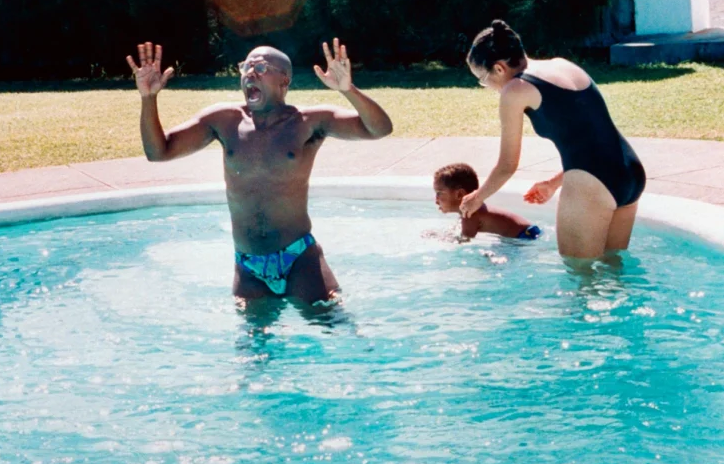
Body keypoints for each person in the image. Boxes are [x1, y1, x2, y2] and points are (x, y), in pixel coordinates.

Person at [126, 39, 393, 303]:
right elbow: (157, 152)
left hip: (299, 257)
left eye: (261, 68)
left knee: (332, 327)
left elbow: (379, 129)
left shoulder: (308, 122)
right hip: (248, 264)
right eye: (246, 67)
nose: (250, 74)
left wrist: (349, 90)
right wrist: (148, 98)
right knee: (255, 345)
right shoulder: (223, 120)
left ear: (284, 81)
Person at [460, 20, 646, 259]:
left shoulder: (514, 90)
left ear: (498, 69)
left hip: (593, 185)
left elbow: (507, 165)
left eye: (483, 80)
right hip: (630, 172)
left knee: (580, 279)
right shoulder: (562, 65)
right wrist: (554, 183)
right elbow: (594, 137)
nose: (487, 86)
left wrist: (477, 197)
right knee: (614, 270)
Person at [433, 163, 541, 241]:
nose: (436, 200)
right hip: (529, 231)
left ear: (459, 195)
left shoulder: (470, 213)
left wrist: (441, 239)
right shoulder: (472, 210)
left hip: (524, 237)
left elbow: (464, 240)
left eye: (439, 193)